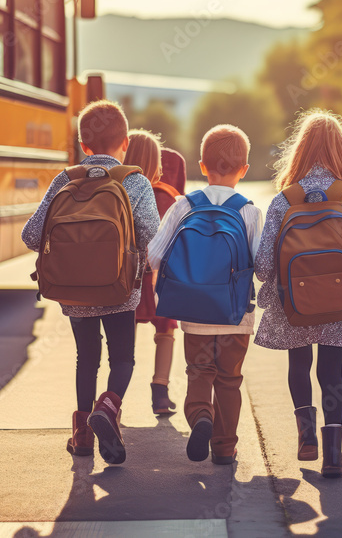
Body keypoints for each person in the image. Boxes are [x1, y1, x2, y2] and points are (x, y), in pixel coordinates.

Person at [21, 100, 159, 464]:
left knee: (87, 359)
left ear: (83, 145)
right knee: (123, 358)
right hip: (119, 289)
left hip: (73, 291)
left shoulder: (65, 180)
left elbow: (31, 236)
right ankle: (109, 408)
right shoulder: (136, 181)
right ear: (125, 142)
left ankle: (82, 436)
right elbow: (150, 235)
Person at [254, 109, 342, 478]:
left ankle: (307, 436)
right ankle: (333, 456)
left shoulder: (285, 199)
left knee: (300, 366)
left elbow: (263, 267)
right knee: (332, 372)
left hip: (294, 304)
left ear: (299, 152)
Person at [147, 125, 263, 466]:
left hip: (193, 312)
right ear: (244, 170)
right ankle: (225, 448)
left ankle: (200, 417)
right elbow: (264, 263)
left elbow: (154, 255)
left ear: (202, 165)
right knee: (229, 380)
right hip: (235, 315)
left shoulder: (184, 206)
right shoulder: (249, 211)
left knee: (198, 372)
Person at [125, 132, 183, 416]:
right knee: (166, 329)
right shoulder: (169, 192)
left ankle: (116, 397)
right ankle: (160, 391)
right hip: (161, 275)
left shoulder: (120, 189)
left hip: (128, 276)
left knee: (125, 331)